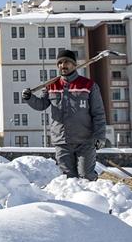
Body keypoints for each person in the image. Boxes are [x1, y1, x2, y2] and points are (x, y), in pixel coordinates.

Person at [22, 49, 107, 180]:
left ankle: (92, 198)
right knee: (68, 179)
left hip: (85, 141)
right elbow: (41, 105)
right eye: (60, 62)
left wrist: (99, 136)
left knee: (86, 175)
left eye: (66, 62)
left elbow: (98, 114)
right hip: (62, 141)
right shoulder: (52, 86)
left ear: (74, 64)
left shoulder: (88, 85)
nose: (63, 65)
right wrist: (29, 98)